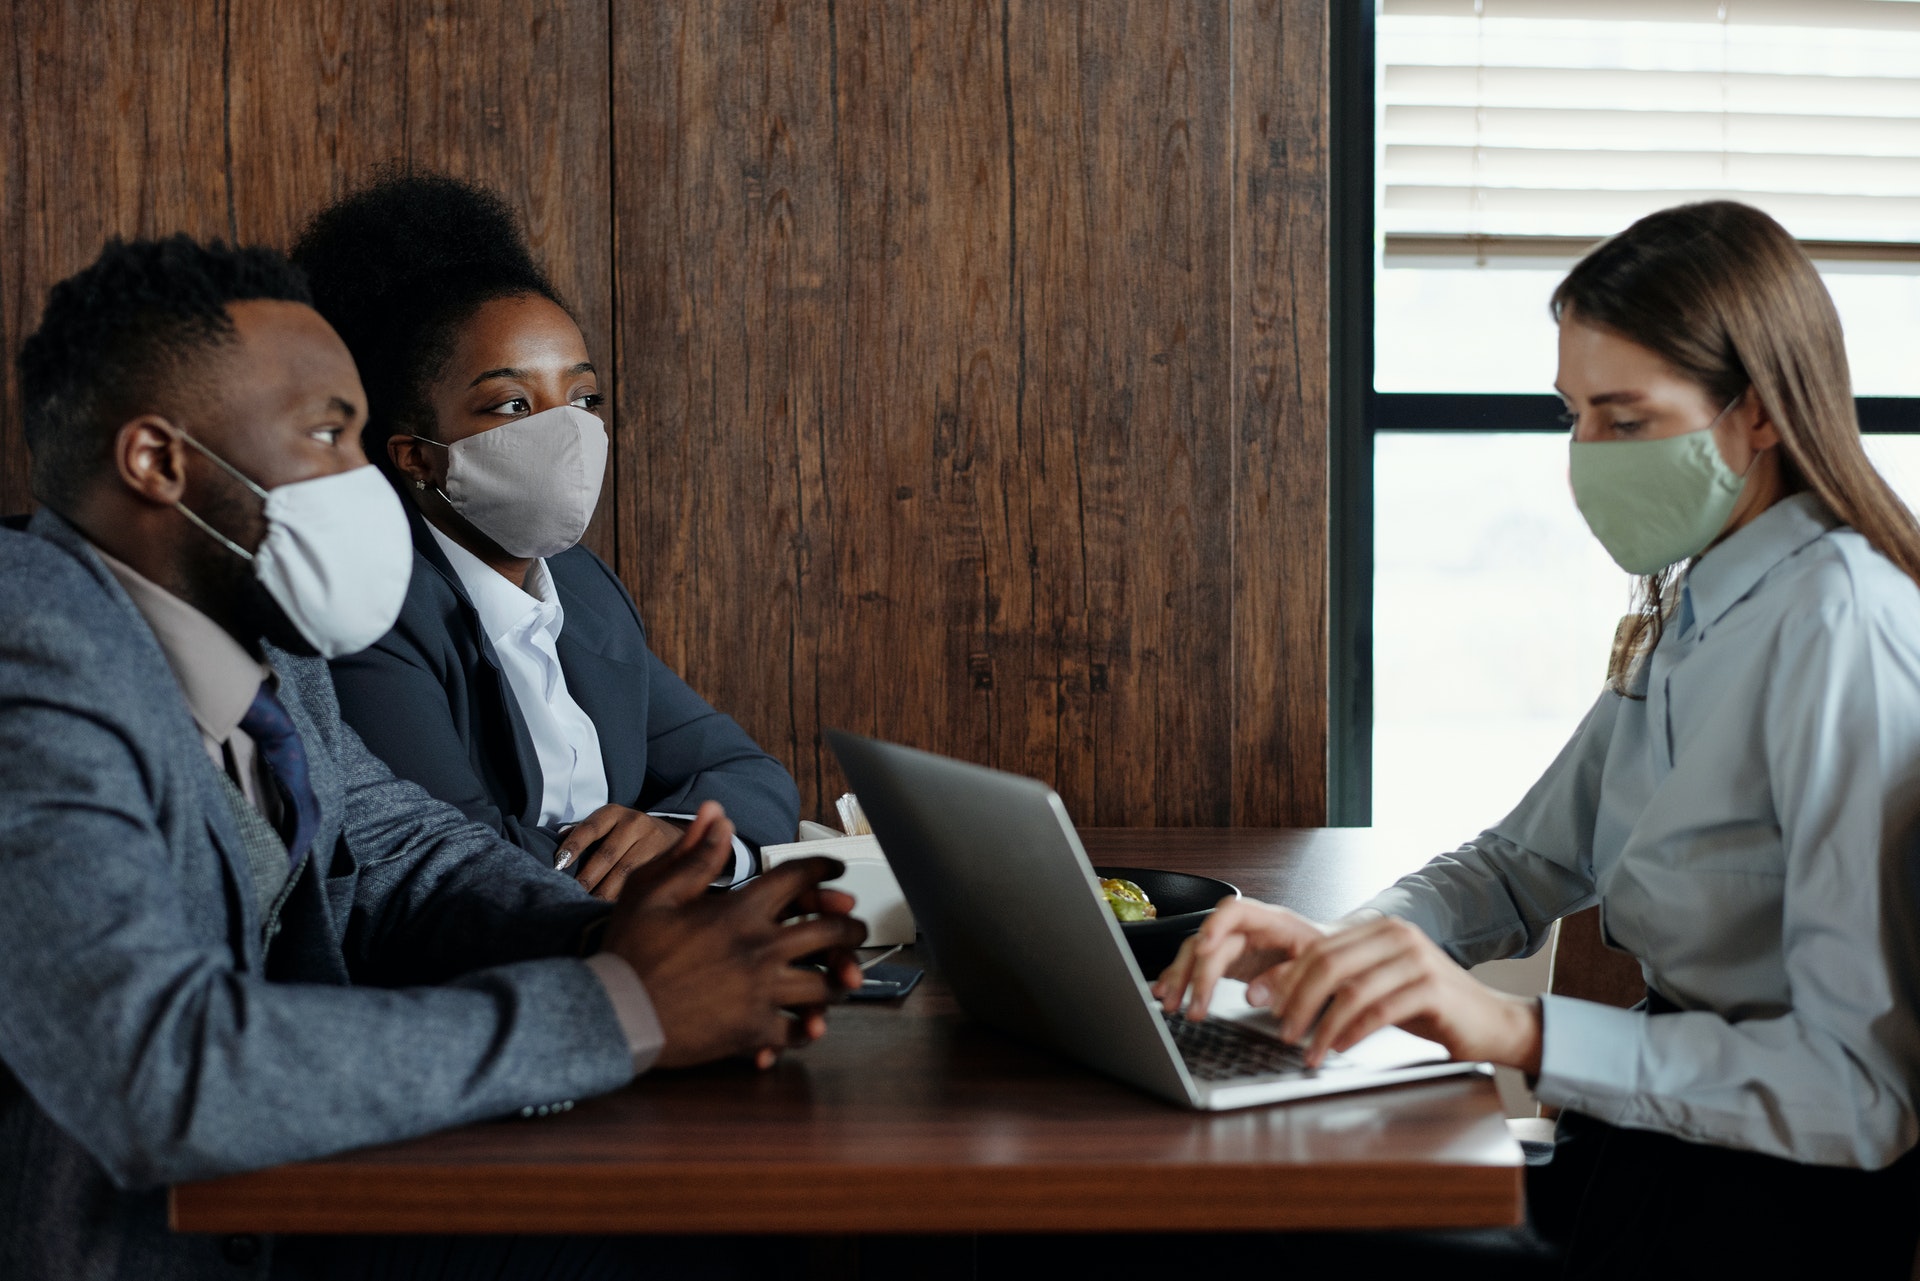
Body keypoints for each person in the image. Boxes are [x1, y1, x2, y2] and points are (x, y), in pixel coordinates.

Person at [0, 234, 864, 1280]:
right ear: (159, 461)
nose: (365, 478)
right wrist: (620, 1007)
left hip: (306, 1202)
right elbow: (162, 1069)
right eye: (328, 433)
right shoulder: (31, 661)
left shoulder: (259, 639)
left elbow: (404, 854)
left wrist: (633, 934)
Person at [1160, 201, 1920, 1277]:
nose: (1585, 456)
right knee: (1233, 1206)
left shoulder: (1842, 625)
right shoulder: (1703, 604)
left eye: (1625, 419)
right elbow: (1522, 865)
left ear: (1756, 415)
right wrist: (1350, 948)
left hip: (1762, 1217)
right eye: (1574, 415)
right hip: (1640, 1163)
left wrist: (1516, 1033)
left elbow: (1861, 1093)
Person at [289, 173, 797, 902]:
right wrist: (641, 869)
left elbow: (751, 772)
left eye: (583, 397)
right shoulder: (373, 609)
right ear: (417, 455)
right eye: (513, 403)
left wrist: (676, 837)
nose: (567, 429)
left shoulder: (583, 587)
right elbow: (453, 854)